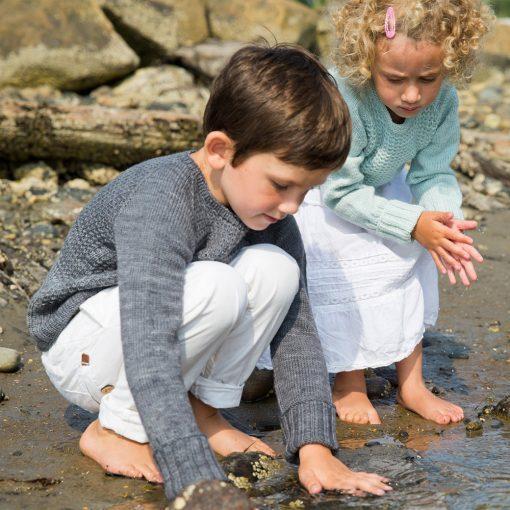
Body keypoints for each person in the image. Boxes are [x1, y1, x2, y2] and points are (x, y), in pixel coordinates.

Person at [27, 44, 393, 501]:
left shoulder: (274, 219)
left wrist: (315, 447)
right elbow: (149, 337)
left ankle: (201, 409)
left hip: (141, 336)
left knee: (277, 271)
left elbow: (297, 335)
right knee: (217, 285)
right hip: (84, 344)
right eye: (281, 184)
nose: (292, 206)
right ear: (221, 150)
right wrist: (192, 472)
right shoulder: (163, 200)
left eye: (307, 190)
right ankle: (116, 429)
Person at [258, 0, 492, 426]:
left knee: (415, 259)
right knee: (347, 265)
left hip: (381, 188)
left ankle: (412, 383)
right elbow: (341, 190)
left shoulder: (443, 104)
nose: (412, 94)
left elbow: (434, 171)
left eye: (428, 79)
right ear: (366, 62)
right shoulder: (348, 97)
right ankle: (349, 378)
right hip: (324, 190)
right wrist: (412, 224)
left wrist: (442, 223)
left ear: (451, 65)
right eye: (395, 79)